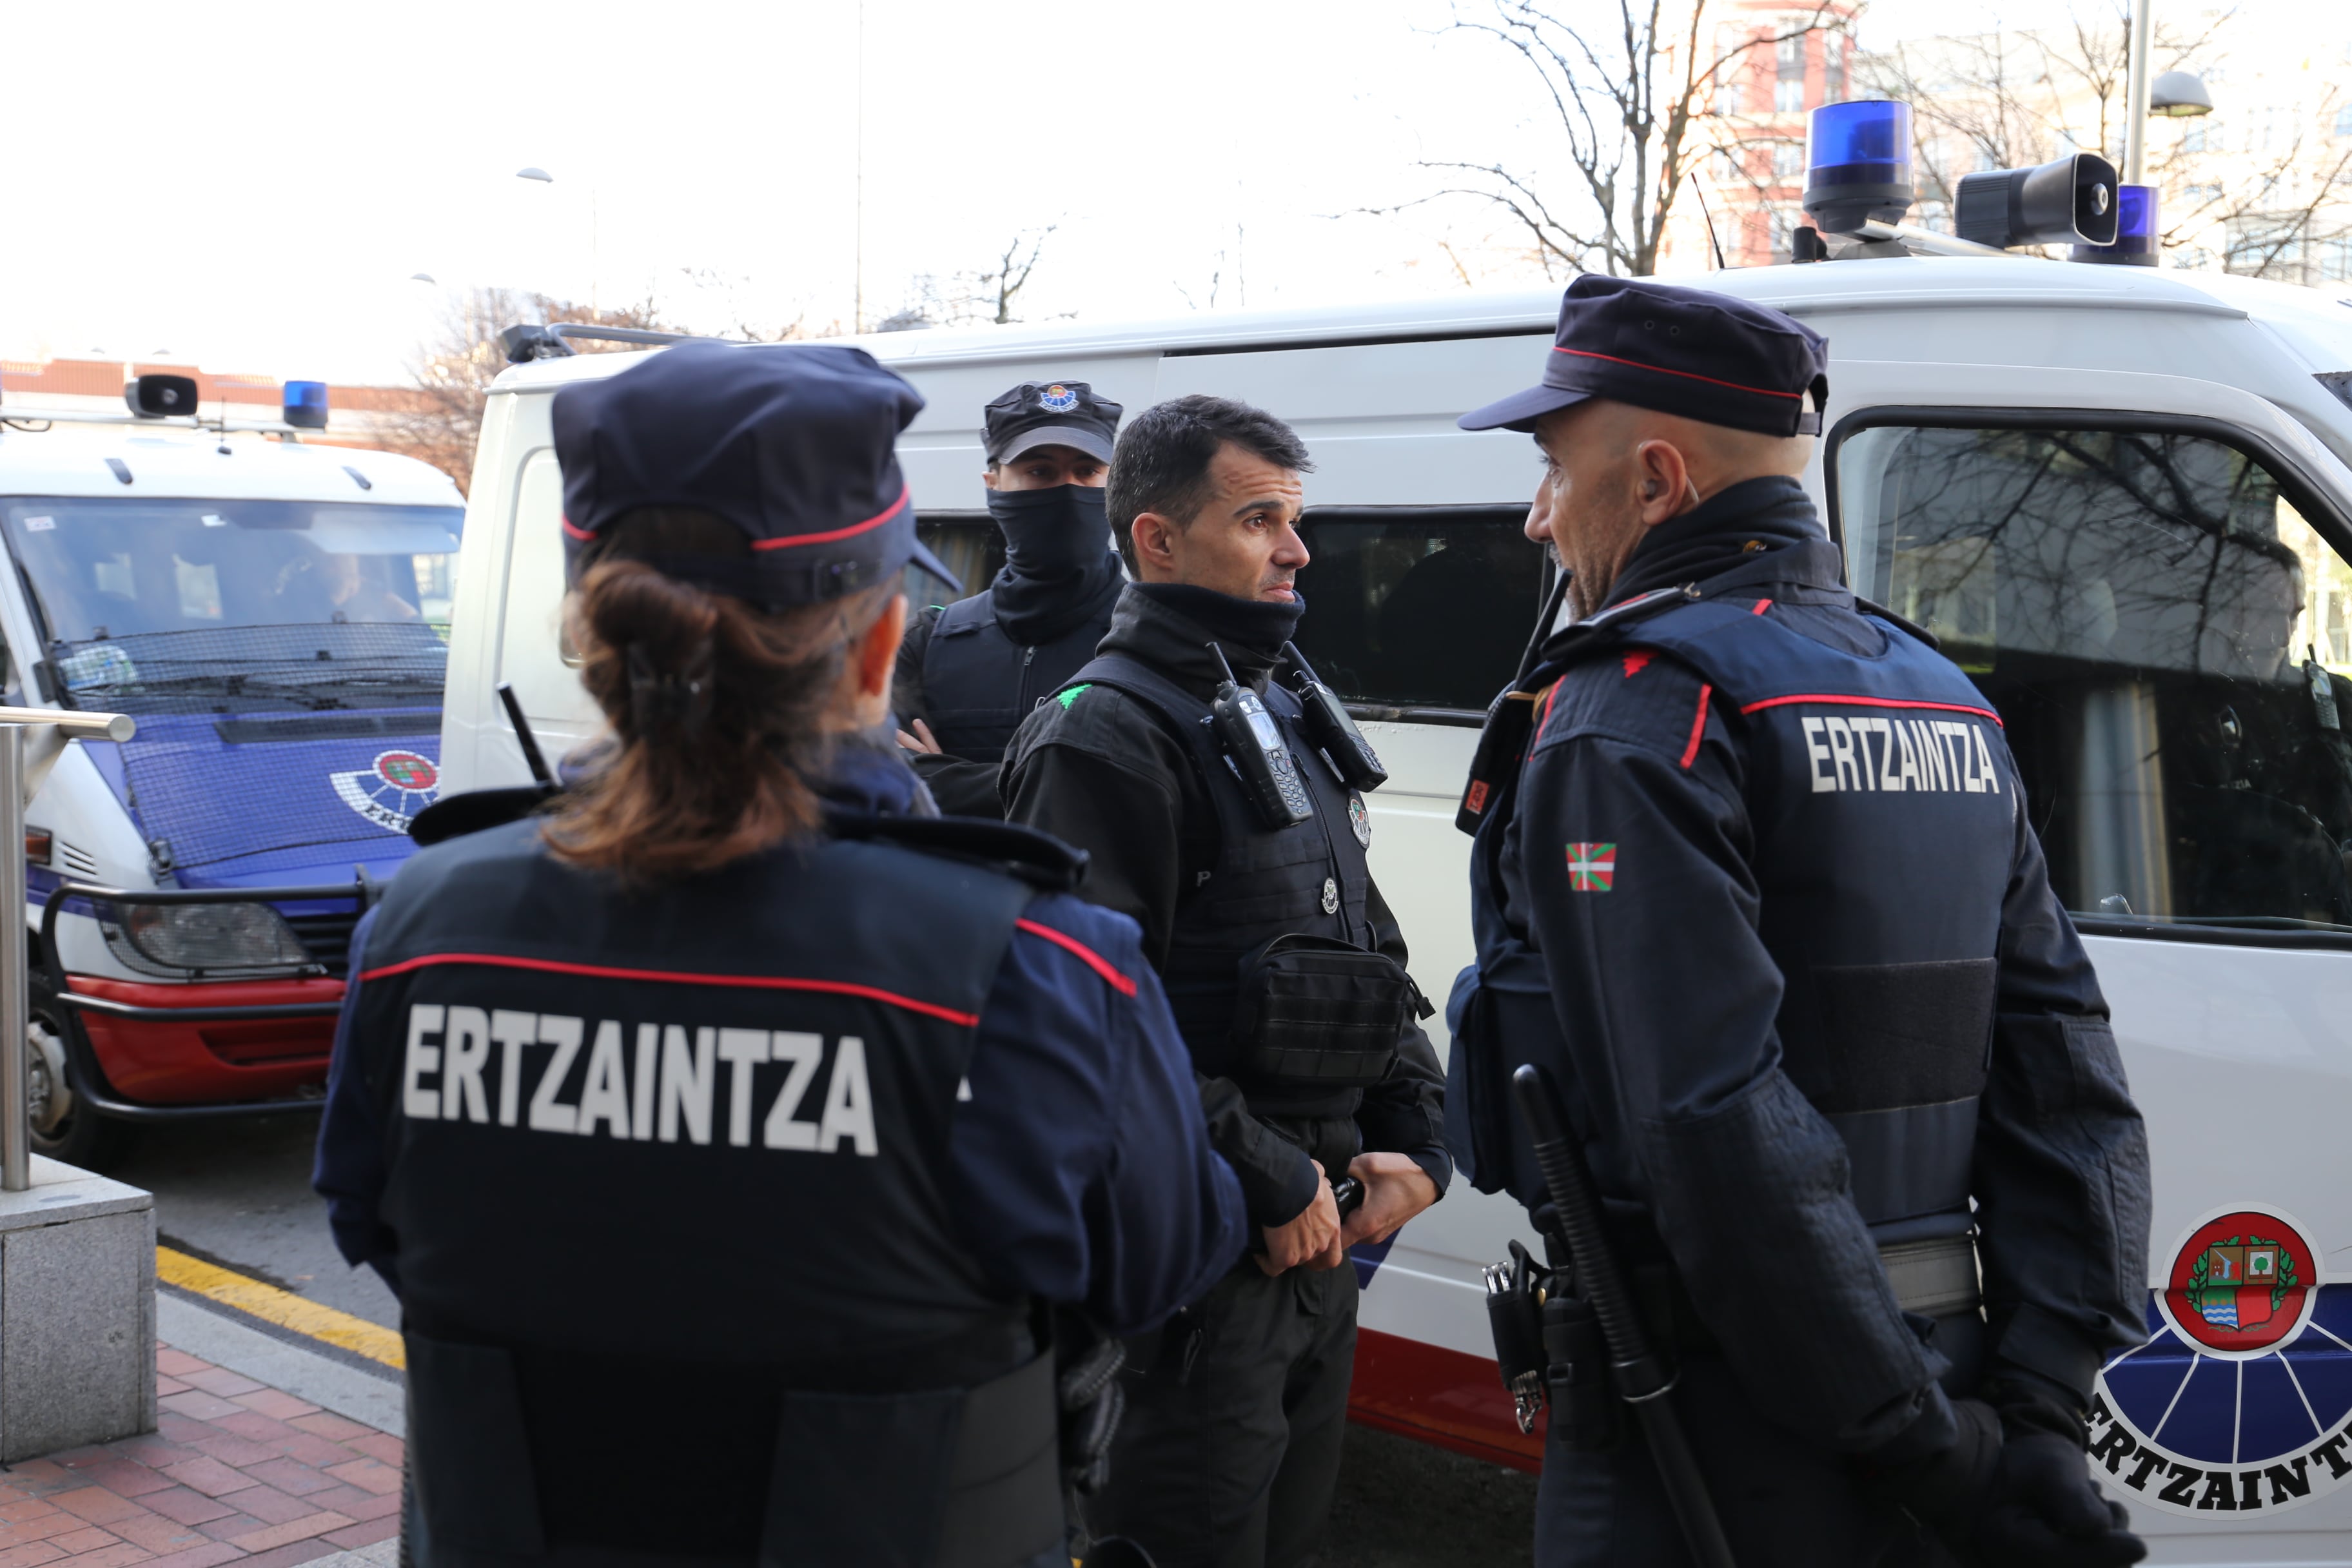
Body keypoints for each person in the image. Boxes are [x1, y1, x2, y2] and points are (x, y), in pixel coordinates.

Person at [311, 343, 1246, 1568]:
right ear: (875, 648)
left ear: (593, 639)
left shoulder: (417, 928)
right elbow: (1158, 1259)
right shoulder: (1034, 962)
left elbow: (370, 1216)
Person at [1445, 275, 2153, 1567]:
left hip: (1717, 1434)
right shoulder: (1940, 694)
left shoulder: (1644, 710)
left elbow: (1712, 1117)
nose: (1539, 515)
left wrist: (1921, 1444)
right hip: (1947, 1383)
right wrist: (2038, 1409)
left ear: (1657, 482)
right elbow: (2067, 1076)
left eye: (1553, 468)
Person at [1001, 395, 1451, 1568]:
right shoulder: (1100, 736)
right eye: (1260, 520)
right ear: (1157, 540)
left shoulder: (1274, 699)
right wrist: (1262, 1173)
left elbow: (1363, 940)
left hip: (1314, 1245)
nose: (1296, 551)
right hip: (1202, 1263)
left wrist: (1417, 1132)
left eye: (1294, 521)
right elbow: (1094, 1016)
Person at [894, 380, 1126, 816]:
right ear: (993, 484)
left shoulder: (1154, 638)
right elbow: (880, 779)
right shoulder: (929, 642)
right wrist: (1061, 780)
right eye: (1040, 472)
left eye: (1088, 471)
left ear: (1115, 485)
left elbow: (1152, 796)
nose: (1068, 490)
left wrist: (943, 779)